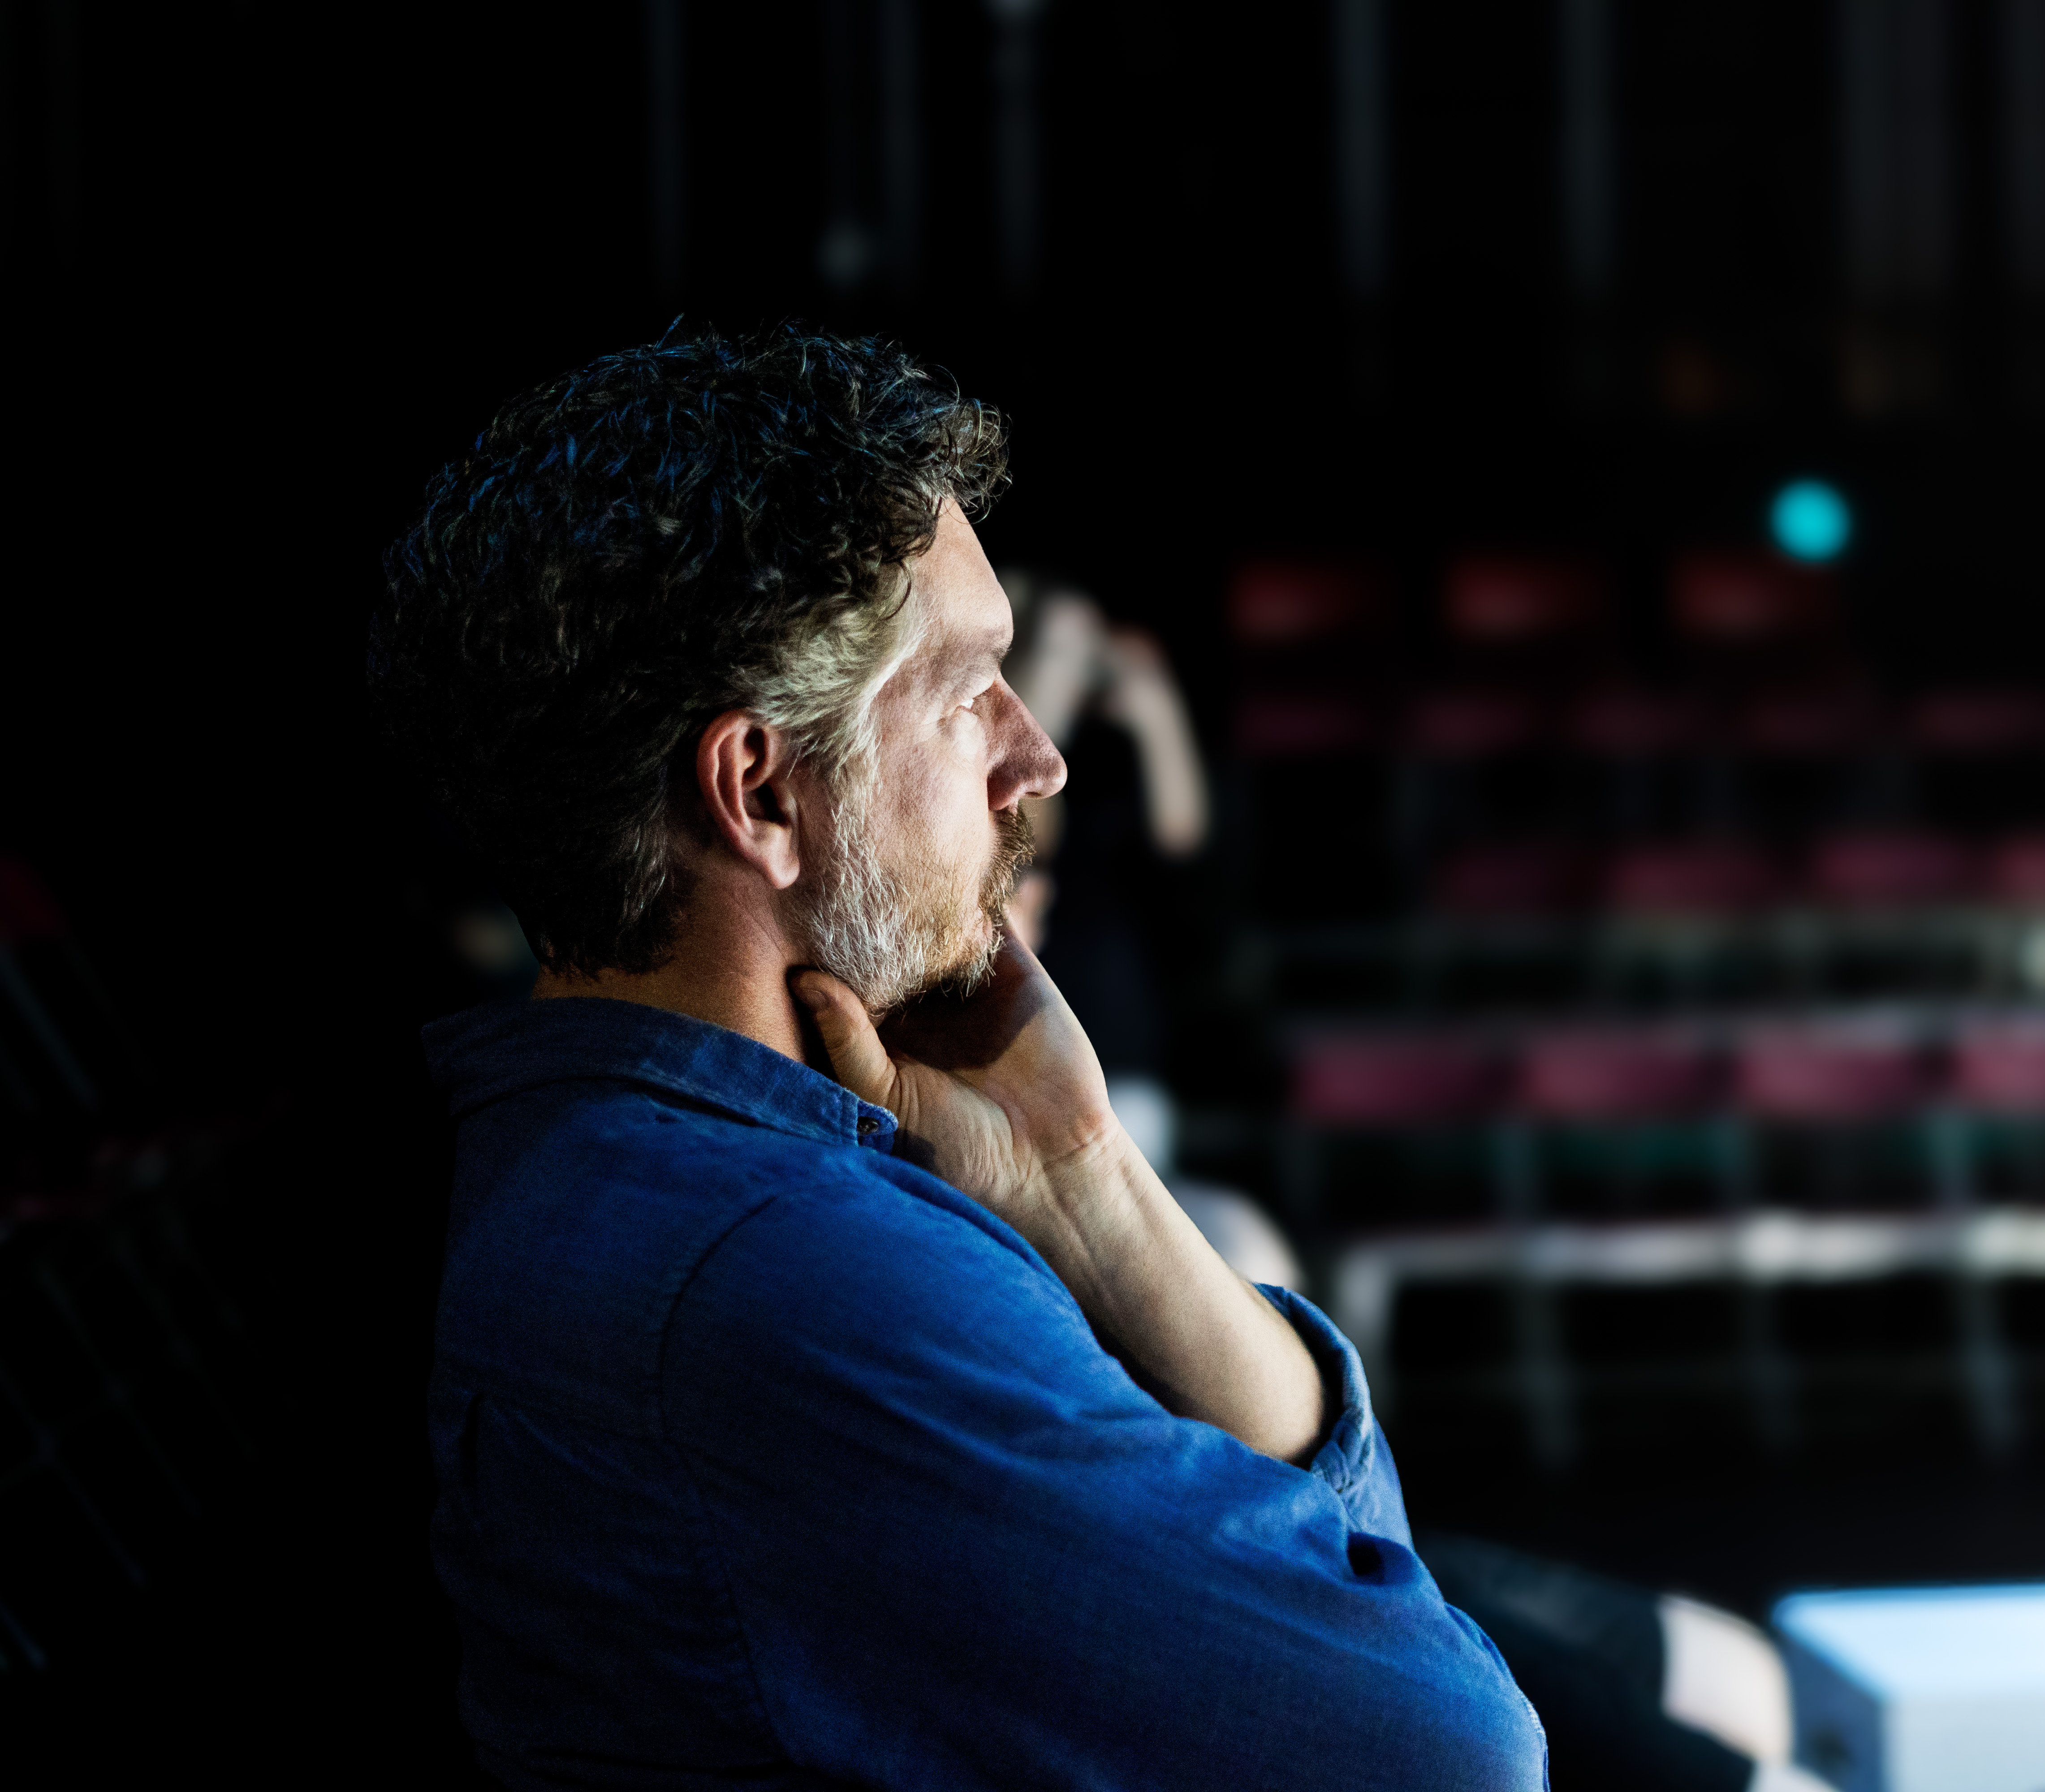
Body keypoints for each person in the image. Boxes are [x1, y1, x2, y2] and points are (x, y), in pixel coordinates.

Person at [373, 325, 1545, 1789]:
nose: (1039, 757)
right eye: (968, 686)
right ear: (760, 791)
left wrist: (1079, 1172)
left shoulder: (605, 1160)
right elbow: (1447, 1750)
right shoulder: (784, 1267)